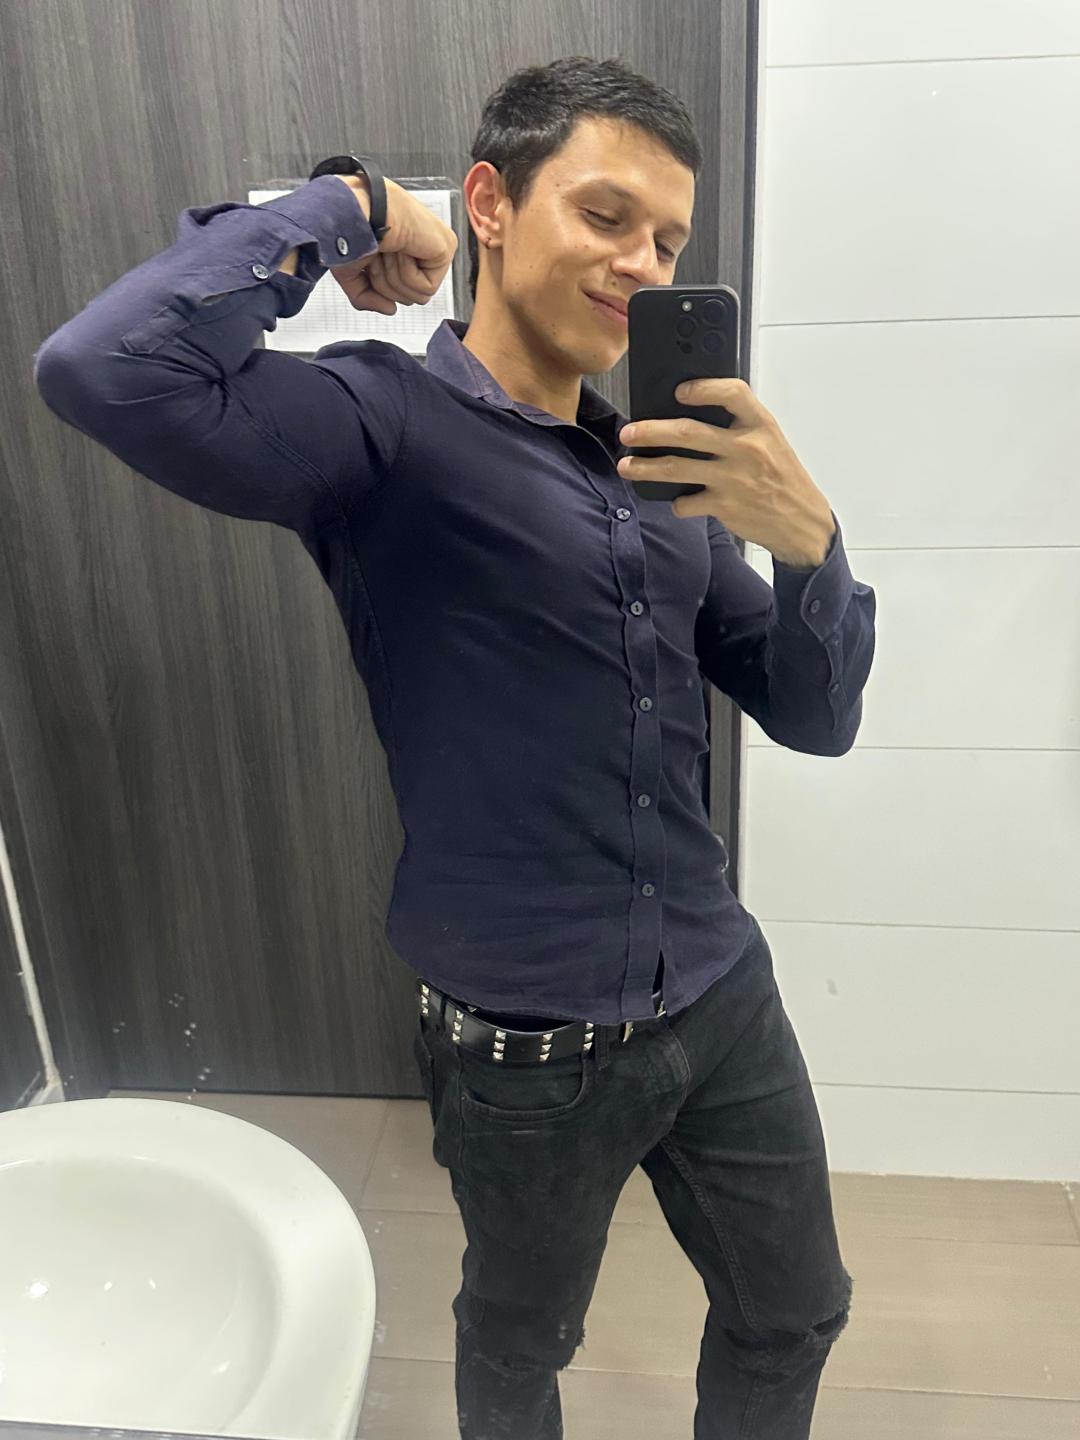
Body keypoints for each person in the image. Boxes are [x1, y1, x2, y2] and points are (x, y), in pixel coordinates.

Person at [34, 53, 874, 1440]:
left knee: (798, 1310)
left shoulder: (662, 475)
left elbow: (816, 717)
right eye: (606, 215)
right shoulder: (384, 425)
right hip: (530, 1047)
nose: (643, 264)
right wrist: (354, 204)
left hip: (723, 992)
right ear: (489, 203)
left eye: (668, 240)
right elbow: (104, 368)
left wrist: (812, 551)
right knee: (518, 1347)